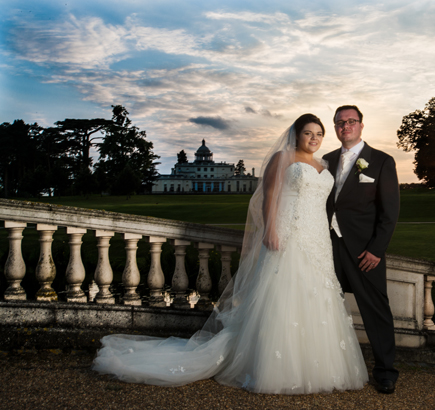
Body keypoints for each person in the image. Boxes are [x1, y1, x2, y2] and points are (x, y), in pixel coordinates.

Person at [92, 114, 369, 394]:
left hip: (318, 238)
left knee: (316, 295)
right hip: (289, 234)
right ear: (296, 135)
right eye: (308, 133)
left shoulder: (323, 164)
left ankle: (317, 365)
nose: (314, 138)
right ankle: (277, 368)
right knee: (284, 296)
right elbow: (269, 196)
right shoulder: (282, 158)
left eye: (319, 134)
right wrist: (270, 230)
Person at [323, 105, 400, 394]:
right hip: (327, 247)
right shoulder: (326, 160)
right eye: (340, 122)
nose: (345, 126)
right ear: (335, 127)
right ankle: (326, 364)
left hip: (364, 251)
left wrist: (376, 250)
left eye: (351, 121)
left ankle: (385, 371)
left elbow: (389, 212)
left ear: (361, 125)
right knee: (323, 305)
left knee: (375, 309)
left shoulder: (381, 161)